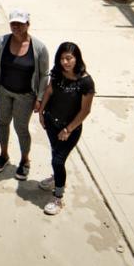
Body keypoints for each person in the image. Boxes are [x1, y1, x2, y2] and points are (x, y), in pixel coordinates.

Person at [0, 9, 50, 179]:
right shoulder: (1, 42)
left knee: (21, 127)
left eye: (20, 23)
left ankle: (25, 160)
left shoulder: (39, 48)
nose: (16, 27)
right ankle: (4, 154)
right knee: (2, 122)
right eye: (13, 23)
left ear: (28, 24)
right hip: (3, 91)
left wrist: (40, 98)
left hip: (26, 96)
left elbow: (44, 75)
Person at [35, 41, 94, 215]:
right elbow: (49, 91)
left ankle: (58, 198)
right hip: (51, 123)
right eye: (62, 59)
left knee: (58, 160)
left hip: (69, 130)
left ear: (77, 59)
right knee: (55, 153)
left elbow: (86, 110)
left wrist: (68, 129)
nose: (65, 62)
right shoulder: (58, 74)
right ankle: (57, 178)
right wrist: (41, 112)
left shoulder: (86, 82)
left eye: (69, 58)